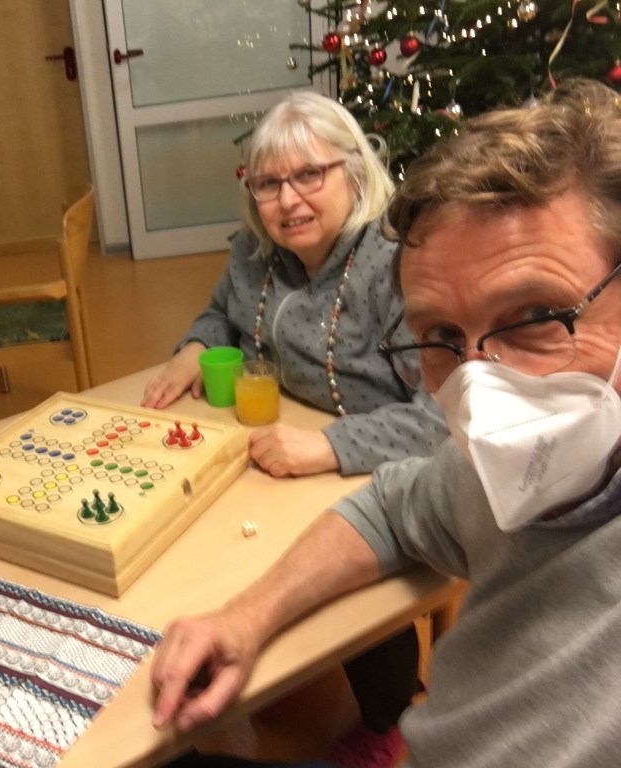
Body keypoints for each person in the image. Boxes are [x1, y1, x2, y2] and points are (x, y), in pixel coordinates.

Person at [151, 78, 621, 768]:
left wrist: (329, 445)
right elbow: (395, 505)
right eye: (439, 338)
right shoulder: (489, 475)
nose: (483, 389)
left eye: (536, 317)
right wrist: (243, 618)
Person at [142, 90, 447, 479]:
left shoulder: (402, 264)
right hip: (261, 445)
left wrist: (330, 445)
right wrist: (198, 345)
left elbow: (447, 416)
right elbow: (224, 311)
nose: (287, 200)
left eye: (308, 174)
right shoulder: (255, 247)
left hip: (372, 473)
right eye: (268, 183)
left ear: (355, 174)